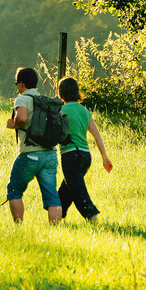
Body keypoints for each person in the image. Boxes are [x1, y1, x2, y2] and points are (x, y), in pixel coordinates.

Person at [5, 67, 63, 224]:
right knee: (52, 196)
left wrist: (13, 124)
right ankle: (55, 230)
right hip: (50, 154)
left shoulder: (22, 99)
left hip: (30, 154)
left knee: (14, 190)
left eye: (17, 83)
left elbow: (22, 118)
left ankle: (18, 227)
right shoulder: (44, 100)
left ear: (22, 84)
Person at [56, 76, 113, 223]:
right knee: (67, 189)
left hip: (70, 156)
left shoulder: (61, 110)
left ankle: (92, 216)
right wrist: (104, 157)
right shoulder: (85, 111)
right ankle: (56, 216)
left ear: (61, 93)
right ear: (77, 92)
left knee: (77, 190)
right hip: (86, 157)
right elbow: (97, 136)